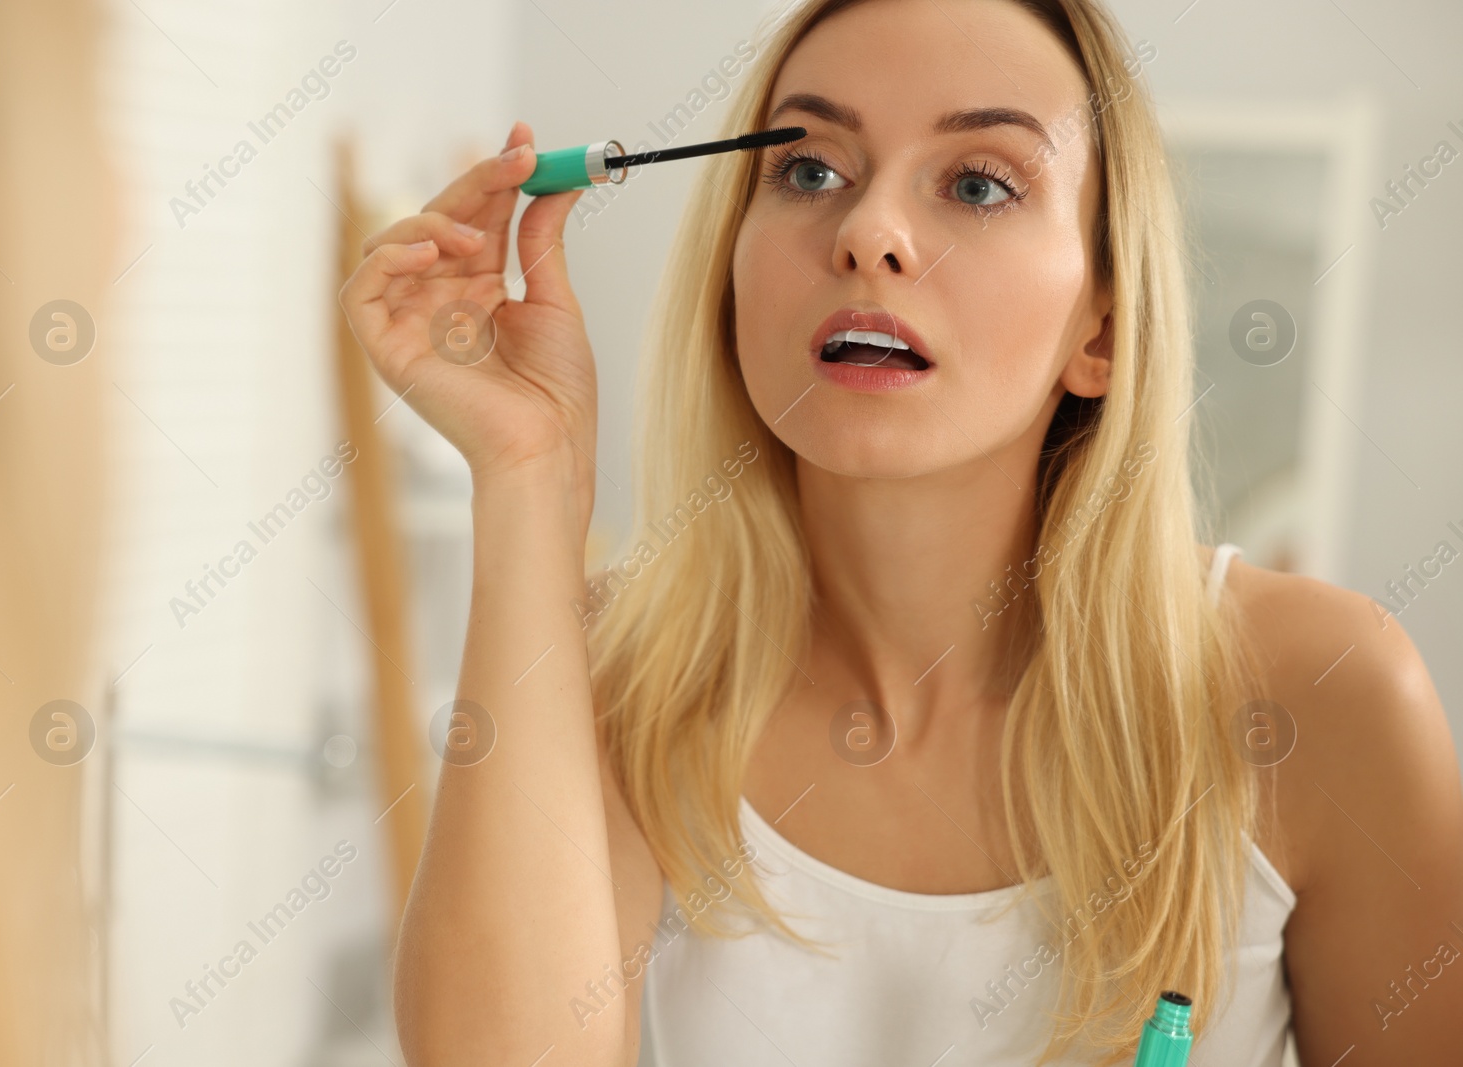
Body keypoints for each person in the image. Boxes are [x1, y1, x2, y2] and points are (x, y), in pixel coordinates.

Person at [339, 1, 1463, 1063]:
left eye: (976, 183)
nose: (869, 232)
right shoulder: (616, 676)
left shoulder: (1319, 693)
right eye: (809, 169)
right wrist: (528, 476)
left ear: (1103, 332)